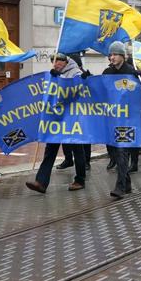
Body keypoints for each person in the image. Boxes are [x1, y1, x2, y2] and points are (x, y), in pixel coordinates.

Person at [25, 53, 86, 193]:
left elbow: (75, 91)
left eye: (58, 60)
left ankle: (80, 179)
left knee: (77, 149)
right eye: (54, 60)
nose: (55, 63)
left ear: (65, 62)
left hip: (72, 118)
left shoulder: (75, 73)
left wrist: (58, 78)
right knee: (50, 149)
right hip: (56, 118)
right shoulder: (54, 73)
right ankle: (41, 182)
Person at [101, 41, 141, 199]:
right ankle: (127, 183)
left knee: (121, 151)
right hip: (112, 118)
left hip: (127, 120)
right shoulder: (107, 72)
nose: (111, 57)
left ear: (122, 56)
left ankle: (119, 187)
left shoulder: (131, 71)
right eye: (110, 55)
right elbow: (98, 90)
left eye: (114, 54)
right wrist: (86, 78)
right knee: (114, 151)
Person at [57, 52, 93, 170]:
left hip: (82, 112)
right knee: (66, 136)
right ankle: (68, 159)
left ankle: (86, 161)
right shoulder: (62, 74)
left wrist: (87, 79)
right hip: (67, 111)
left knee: (83, 138)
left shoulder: (82, 74)